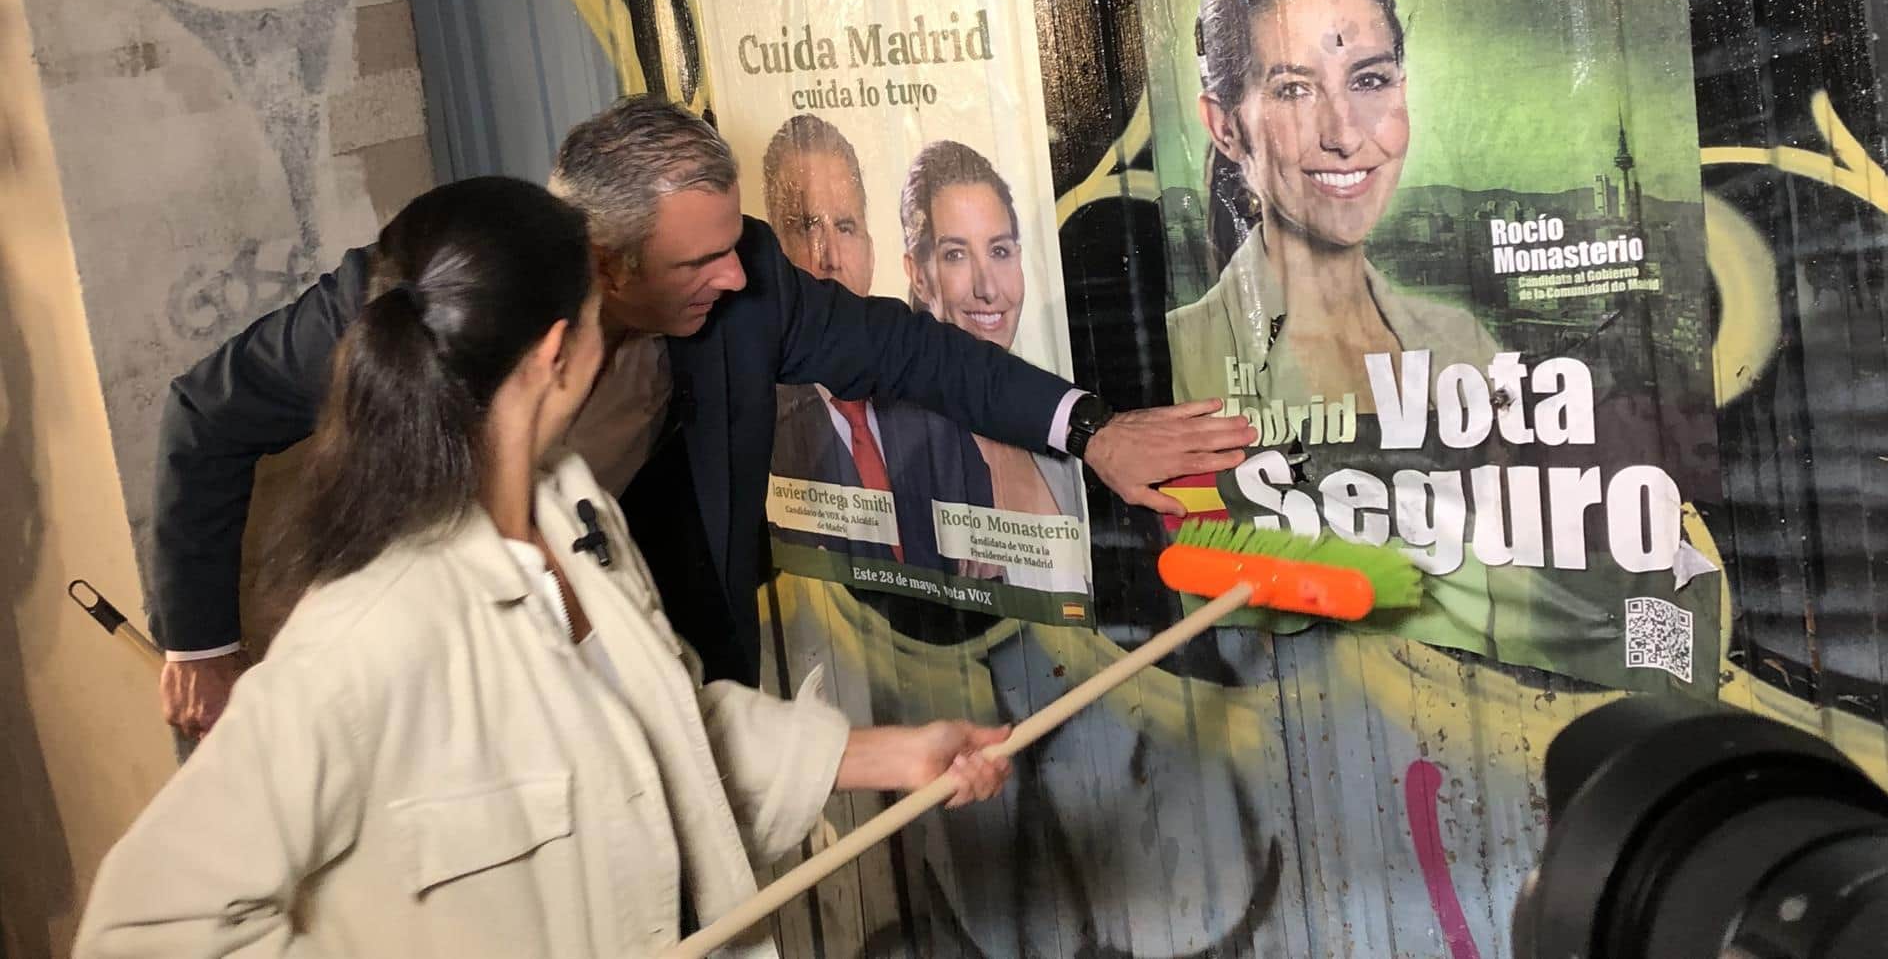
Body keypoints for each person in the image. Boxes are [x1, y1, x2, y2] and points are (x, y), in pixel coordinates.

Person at [79, 177, 1008, 957]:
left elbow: (664, 732)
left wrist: (891, 754)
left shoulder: (576, 516)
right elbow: (144, 931)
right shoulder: (368, 631)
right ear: (561, 352)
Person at [155, 95, 1254, 734]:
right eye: (704, 258)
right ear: (600, 267)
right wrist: (200, 645)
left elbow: (911, 351)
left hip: (656, 685)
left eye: (739, 243)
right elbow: (203, 416)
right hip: (438, 704)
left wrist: (1093, 430)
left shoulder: (748, 284)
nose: (742, 275)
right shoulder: (425, 299)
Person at [1167, 0, 1498, 408]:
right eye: (1294, 90)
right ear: (1225, 128)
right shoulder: (1183, 357)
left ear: (1401, 93)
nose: (1344, 136)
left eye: (1368, 80)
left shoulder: (1465, 348)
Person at [761, 114, 994, 574]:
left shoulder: (935, 408)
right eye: (806, 226)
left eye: (845, 227)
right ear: (773, 251)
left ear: (870, 247)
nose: (828, 257)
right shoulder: (758, 425)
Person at [899, 140, 1086, 527]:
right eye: (956, 254)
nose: (987, 288)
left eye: (999, 251)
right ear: (919, 276)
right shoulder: (900, 448)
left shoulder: (1053, 420)